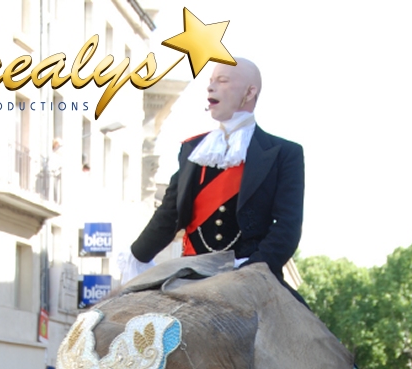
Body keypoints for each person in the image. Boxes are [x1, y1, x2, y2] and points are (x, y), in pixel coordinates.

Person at [120, 58, 304, 286]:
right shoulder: (193, 149)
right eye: (210, 81)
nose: (211, 87)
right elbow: (169, 216)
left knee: (299, 321)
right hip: (190, 272)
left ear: (250, 91)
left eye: (222, 81)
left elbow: (288, 227)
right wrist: (136, 256)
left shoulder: (284, 153)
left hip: (251, 274)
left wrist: (251, 271)